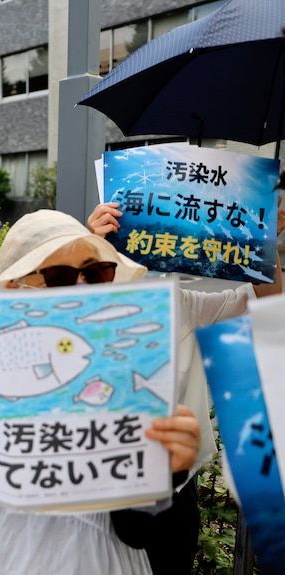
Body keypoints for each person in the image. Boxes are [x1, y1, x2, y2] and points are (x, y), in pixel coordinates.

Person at [0, 209, 203, 574]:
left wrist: (168, 474)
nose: (83, 287)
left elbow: (148, 531)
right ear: (13, 289)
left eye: (97, 272)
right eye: (59, 277)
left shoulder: (129, 378)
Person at [86, 201, 283, 572]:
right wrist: (90, 245)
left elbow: (266, 305)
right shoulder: (74, 304)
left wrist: (261, 246)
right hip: (97, 484)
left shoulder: (179, 302)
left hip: (173, 484)